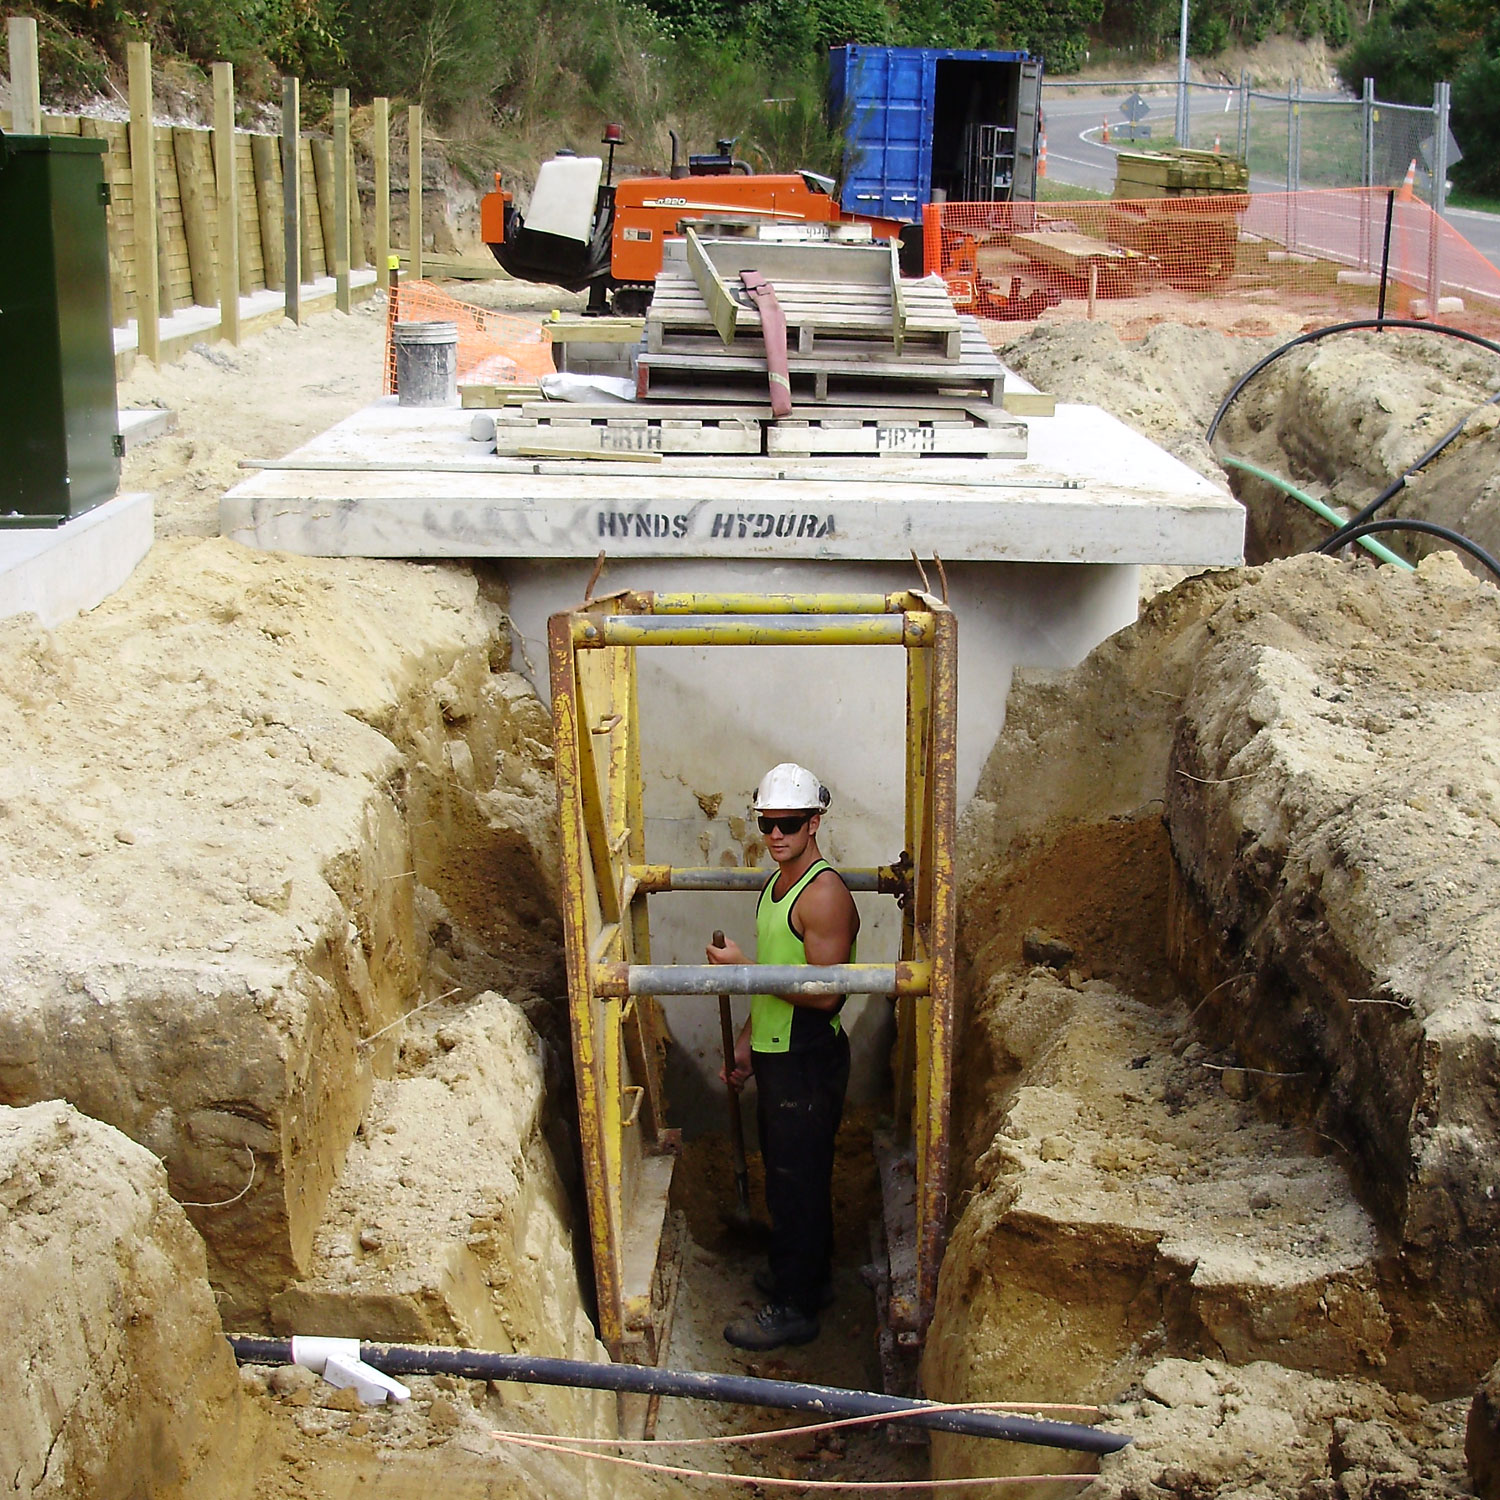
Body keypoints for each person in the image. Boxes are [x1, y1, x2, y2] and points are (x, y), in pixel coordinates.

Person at [707, 762, 860, 1351]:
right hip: (778, 1052)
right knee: (789, 1174)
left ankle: (796, 1306)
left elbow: (825, 994)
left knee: (797, 1180)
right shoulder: (776, 886)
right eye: (768, 824)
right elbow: (777, 981)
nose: (775, 836)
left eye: (788, 824)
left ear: (814, 823)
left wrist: (745, 971)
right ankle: (807, 1276)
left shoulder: (822, 896)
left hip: (807, 1056)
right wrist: (746, 1049)